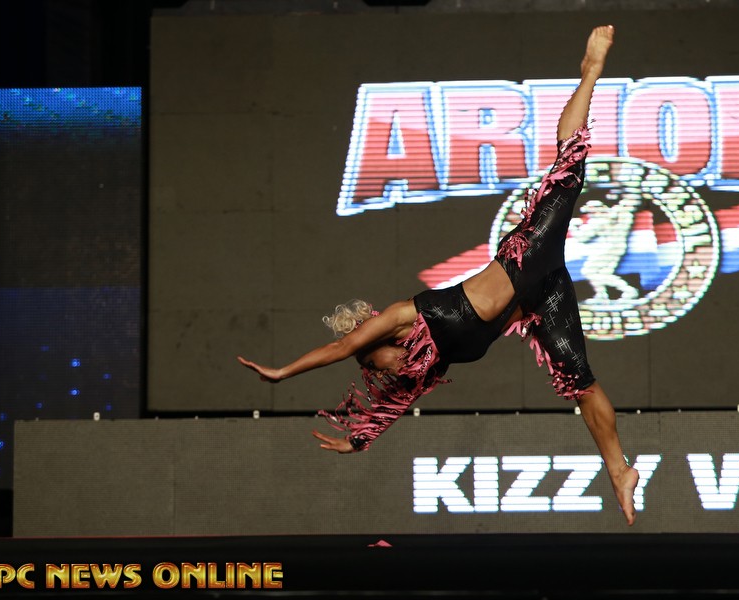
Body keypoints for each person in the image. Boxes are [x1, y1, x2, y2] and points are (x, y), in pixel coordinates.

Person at [238, 25, 640, 526]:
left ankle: (591, 70)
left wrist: (282, 373)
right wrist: (357, 441)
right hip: (543, 294)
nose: (385, 373)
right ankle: (619, 470)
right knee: (578, 382)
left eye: (376, 364)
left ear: (379, 340)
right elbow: (393, 404)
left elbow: (340, 348)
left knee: (569, 169)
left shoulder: (404, 318)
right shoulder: (426, 363)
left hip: (525, 258)